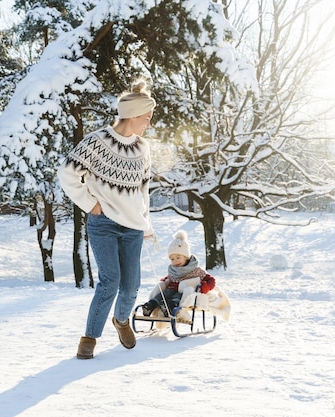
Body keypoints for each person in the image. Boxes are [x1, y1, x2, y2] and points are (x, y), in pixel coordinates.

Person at [58, 79, 156, 359]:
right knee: (109, 281)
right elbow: (67, 174)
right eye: (146, 119)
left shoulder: (143, 149)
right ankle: (89, 337)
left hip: (133, 227)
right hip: (104, 224)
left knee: (131, 285)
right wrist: (90, 203)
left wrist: (146, 223)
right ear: (133, 115)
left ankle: (121, 320)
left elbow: (143, 190)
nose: (148, 124)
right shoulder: (96, 142)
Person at [142, 230, 216, 319]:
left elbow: (211, 280)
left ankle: (169, 307)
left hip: (183, 292)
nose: (175, 261)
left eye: (178, 257)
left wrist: (205, 286)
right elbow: (169, 277)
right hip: (171, 289)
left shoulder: (196, 270)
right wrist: (164, 281)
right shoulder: (173, 270)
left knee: (177, 297)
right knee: (163, 294)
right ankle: (151, 305)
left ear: (186, 257)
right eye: (172, 259)